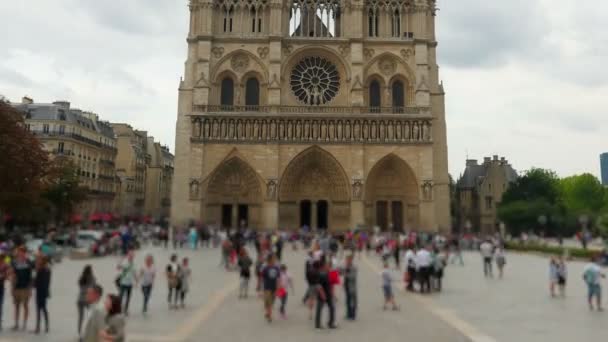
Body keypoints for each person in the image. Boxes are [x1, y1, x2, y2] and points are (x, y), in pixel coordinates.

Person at [10, 246, 33, 331]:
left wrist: (30, 289)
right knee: (16, 306)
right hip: (17, 287)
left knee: (25, 305)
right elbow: (12, 274)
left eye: (21, 252)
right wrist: (12, 288)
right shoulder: (14, 262)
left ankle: (24, 323)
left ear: (24, 253)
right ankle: (16, 324)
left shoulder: (29, 262)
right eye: (19, 252)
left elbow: (31, 276)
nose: (19, 253)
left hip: (25, 288)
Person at [315, 257, 336, 329]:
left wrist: (332, 293)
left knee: (332, 308)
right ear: (324, 266)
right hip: (322, 294)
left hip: (328, 294)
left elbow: (331, 284)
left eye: (329, 266)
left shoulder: (328, 273)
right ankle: (318, 324)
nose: (329, 267)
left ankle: (330, 323)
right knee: (319, 309)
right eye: (327, 266)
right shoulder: (321, 274)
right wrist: (322, 294)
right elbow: (318, 285)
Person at [33, 256, 51, 334]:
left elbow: (37, 282)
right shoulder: (47, 270)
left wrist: (34, 278)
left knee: (40, 309)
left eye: (39, 260)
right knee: (42, 309)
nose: (38, 262)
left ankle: (39, 327)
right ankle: (44, 326)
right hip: (43, 292)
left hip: (41, 292)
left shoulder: (42, 270)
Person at [116, 251, 137, 316]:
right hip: (123, 282)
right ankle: (118, 309)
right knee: (120, 297)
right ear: (128, 256)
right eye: (130, 255)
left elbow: (134, 273)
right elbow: (118, 267)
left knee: (128, 297)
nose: (131, 257)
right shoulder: (125, 262)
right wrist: (120, 261)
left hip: (130, 283)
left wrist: (136, 281)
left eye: (132, 256)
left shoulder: (133, 264)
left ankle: (125, 309)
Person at [78, 265, 96, 336]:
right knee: (91, 316)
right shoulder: (92, 278)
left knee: (80, 317)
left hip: (80, 299)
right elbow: (94, 287)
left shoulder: (81, 278)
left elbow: (80, 287)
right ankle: (90, 331)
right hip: (88, 300)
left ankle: (79, 332)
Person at [261, 254, 280, 322]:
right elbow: (262, 278)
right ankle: (269, 315)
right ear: (269, 260)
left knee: (272, 302)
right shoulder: (265, 268)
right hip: (267, 287)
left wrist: (278, 288)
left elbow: (278, 278)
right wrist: (261, 289)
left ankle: (268, 312)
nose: (274, 260)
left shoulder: (276, 268)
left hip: (274, 287)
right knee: (268, 301)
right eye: (273, 259)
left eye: (275, 259)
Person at [341, 254, 357, 320]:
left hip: (352, 287)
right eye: (346, 260)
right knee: (347, 301)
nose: (346, 261)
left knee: (352, 301)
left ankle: (352, 315)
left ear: (351, 260)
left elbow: (352, 277)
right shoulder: (346, 267)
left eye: (347, 260)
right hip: (346, 286)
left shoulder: (353, 267)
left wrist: (345, 274)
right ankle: (348, 314)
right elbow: (341, 272)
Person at [0, 250, 11, 330]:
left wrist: (4, 275)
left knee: (0, 306)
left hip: (1, 288)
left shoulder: (5, 265)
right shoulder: (5, 265)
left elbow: (8, 276)